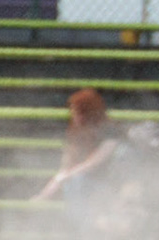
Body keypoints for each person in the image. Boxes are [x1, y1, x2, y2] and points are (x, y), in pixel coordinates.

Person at [31, 88, 126, 223]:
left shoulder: (110, 131)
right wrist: (44, 195)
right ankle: (83, 224)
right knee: (74, 182)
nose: (76, 117)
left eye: (80, 112)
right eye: (74, 112)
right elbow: (65, 169)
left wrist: (68, 176)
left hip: (112, 183)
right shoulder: (75, 134)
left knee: (77, 181)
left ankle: (89, 224)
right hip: (89, 185)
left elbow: (95, 161)